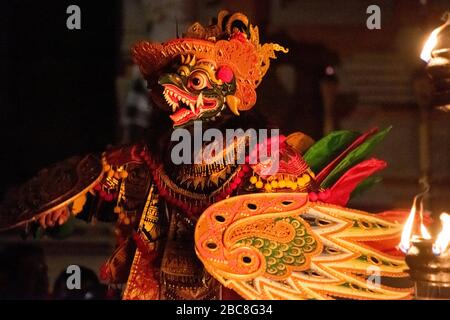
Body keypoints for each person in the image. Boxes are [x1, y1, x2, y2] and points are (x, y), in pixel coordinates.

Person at [0, 10, 411, 300]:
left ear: (230, 97)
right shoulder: (147, 160)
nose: (172, 91)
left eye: (194, 79)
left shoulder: (272, 163)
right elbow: (96, 194)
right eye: (172, 80)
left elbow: (303, 240)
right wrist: (66, 207)